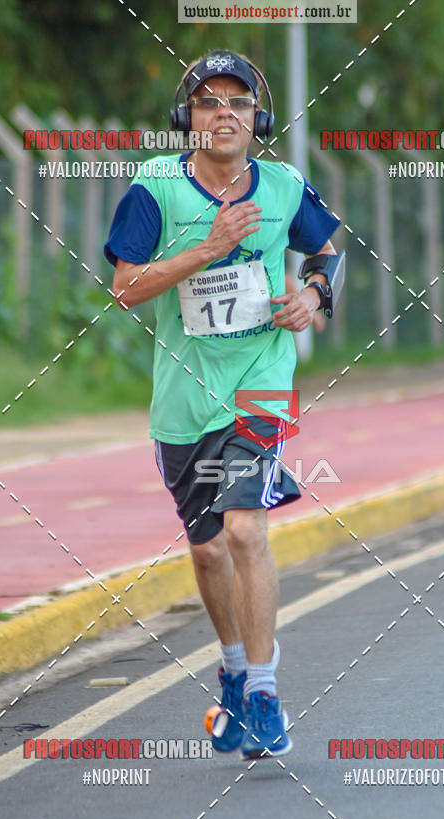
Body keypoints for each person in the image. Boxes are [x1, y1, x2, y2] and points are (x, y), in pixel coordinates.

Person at [104, 49, 342, 759]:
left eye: (238, 102)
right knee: (208, 549)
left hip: (261, 383)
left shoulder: (284, 186)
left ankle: (264, 692)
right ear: (188, 119)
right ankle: (234, 672)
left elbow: (328, 252)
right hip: (184, 395)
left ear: (257, 119)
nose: (225, 113)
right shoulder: (155, 189)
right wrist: (208, 249)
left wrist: (312, 297)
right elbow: (125, 287)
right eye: (209, 102)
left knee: (243, 530)